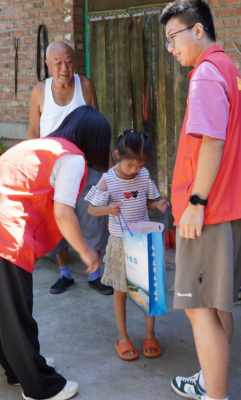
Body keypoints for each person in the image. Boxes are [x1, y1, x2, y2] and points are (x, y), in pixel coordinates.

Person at [0, 106, 111, 400]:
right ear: (95, 139)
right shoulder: (72, 156)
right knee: (15, 312)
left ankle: (19, 370)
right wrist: (87, 252)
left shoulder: (40, 145)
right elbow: (64, 213)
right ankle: (40, 387)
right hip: (4, 231)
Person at [160, 1, 241, 400]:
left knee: (198, 306)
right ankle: (209, 381)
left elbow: (212, 141)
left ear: (198, 30)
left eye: (174, 37)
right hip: (232, 206)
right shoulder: (228, 68)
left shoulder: (206, 72)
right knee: (218, 305)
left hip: (212, 209)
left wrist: (197, 201)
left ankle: (215, 395)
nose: (172, 48)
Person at [28, 40, 114, 296]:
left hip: (86, 164)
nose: (64, 68)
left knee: (92, 216)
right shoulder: (39, 91)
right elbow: (33, 131)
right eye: (57, 63)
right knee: (57, 220)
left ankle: (95, 274)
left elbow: (97, 127)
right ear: (47, 65)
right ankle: (64, 273)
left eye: (69, 61)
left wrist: (111, 172)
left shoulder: (85, 85)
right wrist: (32, 168)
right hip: (53, 168)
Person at [85, 129, 168, 361]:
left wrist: (158, 205)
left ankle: (150, 334)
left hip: (143, 240)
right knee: (121, 291)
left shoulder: (143, 175)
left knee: (147, 288)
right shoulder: (108, 179)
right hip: (121, 242)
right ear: (117, 154)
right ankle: (123, 337)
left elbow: (148, 201)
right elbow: (92, 209)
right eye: (131, 165)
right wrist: (108, 210)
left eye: (140, 165)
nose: (135, 170)